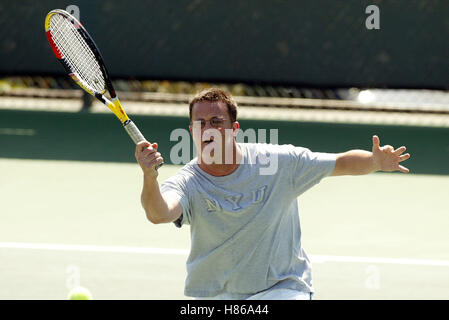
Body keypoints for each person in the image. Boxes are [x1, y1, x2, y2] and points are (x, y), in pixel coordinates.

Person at [134, 88, 410, 300]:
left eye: (217, 121)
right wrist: (150, 176)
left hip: (282, 288)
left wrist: (375, 162)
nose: (208, 129)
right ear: (192, 130)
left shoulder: (277, 163)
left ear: (234, 129)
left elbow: (341, 163)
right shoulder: (188, 181)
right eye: (201, 123)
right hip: (214, 294)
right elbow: (159, 213)